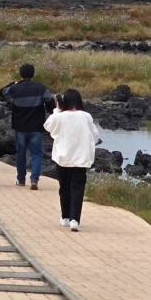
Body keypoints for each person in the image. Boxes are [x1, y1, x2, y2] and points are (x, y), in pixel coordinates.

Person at [43, 89, 101, 232]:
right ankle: (75, 220)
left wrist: (57, 111)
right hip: (80, 159)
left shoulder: (59, 117)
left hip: (63, 158)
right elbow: (95, 136)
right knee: (77, 189)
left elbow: (47, 126)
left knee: (64, 188)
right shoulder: (86, 116)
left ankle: (65, 217)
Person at [0, 64, 55, 190]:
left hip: (20, 127)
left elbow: (2, 93)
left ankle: (21, 179)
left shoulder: (15, 89)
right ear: (33, 74)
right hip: (36, 127)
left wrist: (11, 84)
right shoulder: (40, 88)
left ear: (20, 75)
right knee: (36, 154)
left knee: (21, 153)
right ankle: (34, 179)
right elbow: (49, 101)